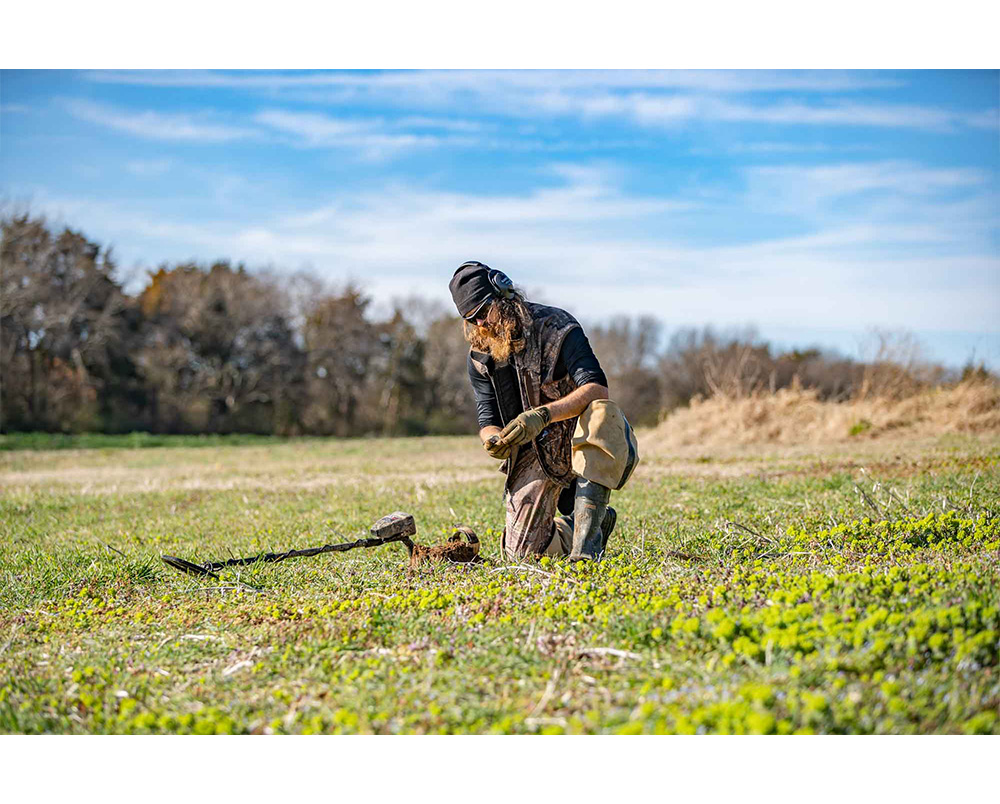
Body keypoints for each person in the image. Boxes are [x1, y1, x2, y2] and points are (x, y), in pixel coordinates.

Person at [449, 261, 637, 561]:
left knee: (603, 412)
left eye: (483, 312)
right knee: (521, 555)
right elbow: (487, 417)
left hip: (577, 435)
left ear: (503, 294)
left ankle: (585, 548)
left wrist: (542, 416)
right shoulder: (480, 358)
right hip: (534, 453)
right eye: (471, 319)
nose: (481, 324)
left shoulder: (558, 327)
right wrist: (494, 439)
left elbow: (597, 389)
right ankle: (580, 524)